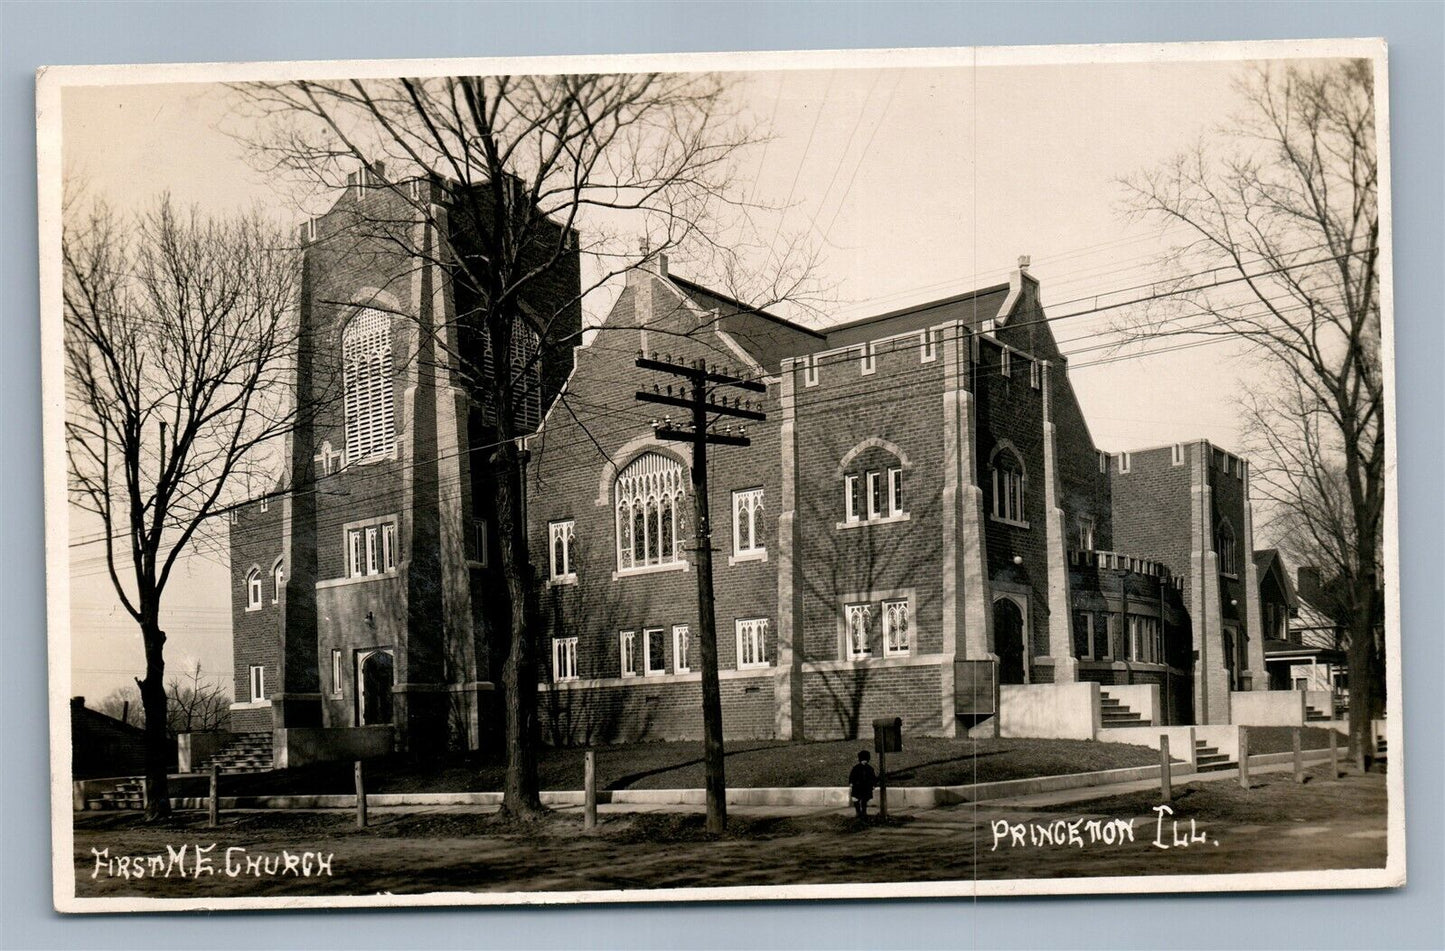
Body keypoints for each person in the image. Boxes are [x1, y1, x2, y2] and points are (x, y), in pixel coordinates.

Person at [848, 749, 878, 819]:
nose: (864, 761)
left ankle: (863, 812)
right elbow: (852, 776)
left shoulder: (869, 768)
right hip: (857, 786)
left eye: (865, 760)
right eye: (863, 760)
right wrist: (851, 782)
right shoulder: (856, 768)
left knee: (864, 800)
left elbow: (873, 777)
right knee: (856, 799)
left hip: (865, 786)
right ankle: (858, 812)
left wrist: (873, 784)